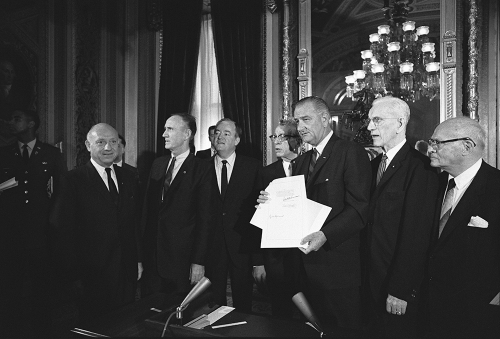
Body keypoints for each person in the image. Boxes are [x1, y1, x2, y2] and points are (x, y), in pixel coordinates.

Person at [258, 96, 371, 332]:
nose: (300, 128)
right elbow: (295, 206)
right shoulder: (302, 161)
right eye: (298, 121)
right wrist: (269, 204)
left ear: (325, 118)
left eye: (306, 120)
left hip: (337, 271)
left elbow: (359, 209)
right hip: (304, 270)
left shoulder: (350, 152)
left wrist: (325, 235)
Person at [50, 123, 142, 323]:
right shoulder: (72, 180)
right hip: (91, 275)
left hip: (126, 271)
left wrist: (138, 260)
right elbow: (63, 231)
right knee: (96, 326)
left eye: (113, 142)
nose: (108, 148)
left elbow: (133, 223)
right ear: (88, 145)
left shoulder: (129, 176)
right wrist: (73, 275)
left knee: (126, 324)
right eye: (101, 142)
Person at [365, 96, 439, 337]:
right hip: (367, 281)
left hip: (395, 287)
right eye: (369, 121)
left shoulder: (421, 168)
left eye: (376, 120)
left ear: (399, 123)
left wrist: (400, 289)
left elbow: (417, 235)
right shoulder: (372, 165)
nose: (369, 127)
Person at [425, 117, 500, 338]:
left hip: (479, 315)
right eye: (431, 142)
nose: (431, 149)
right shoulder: (433, 186)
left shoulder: (496, 188)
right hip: (431, 312)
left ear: (466, 146)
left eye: (438, 143)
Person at [0, 109, 67, 336]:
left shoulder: (50, 153)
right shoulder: (4, 153)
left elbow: (61, 190)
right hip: (11, 232)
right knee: (10, 287)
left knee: (42, 287)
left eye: (16, 118)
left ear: (31, 124)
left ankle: (42, 331)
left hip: (41, 232)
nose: (11, 122)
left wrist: (53, 224)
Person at [140, 114, 215, 297]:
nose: (164, 134)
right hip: (153, 260)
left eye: (170, 129)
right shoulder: (157, 164)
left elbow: (205, 219)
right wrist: (141, 257)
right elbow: (147, 213)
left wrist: (199, 261)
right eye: (165, 129)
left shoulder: (202, 168)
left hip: (182, 259)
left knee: (178, 314)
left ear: (187, 134)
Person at [206, 118, 262, 313]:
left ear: (237, 140)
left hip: (242, 245)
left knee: (243, 302)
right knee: (213, 303)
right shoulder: (200, 167)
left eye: (226, 133)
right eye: (217, 133)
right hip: (211, 246)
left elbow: (258, 213)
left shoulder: (252, 167)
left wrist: (258, 258)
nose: (219, 136)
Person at [255, 118, 303, 318]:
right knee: (280, 311)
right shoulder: (266, 173)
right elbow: (257, 221)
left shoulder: (311, 166)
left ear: (296, 139)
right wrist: (261, 206)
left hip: (306, 252)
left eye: (281, 137)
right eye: (274, 136)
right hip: (276, 256)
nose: (275, 141)